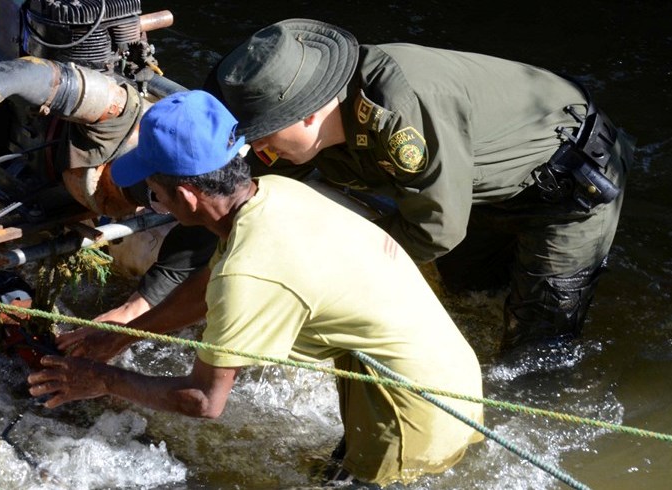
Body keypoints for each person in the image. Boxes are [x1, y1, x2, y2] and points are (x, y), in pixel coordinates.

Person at [28, 90, 485, 486]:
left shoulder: (248, 273)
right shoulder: (276, 194)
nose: (154, 203)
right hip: (448, 379)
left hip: (412, 418)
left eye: (154, 193)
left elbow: (206, 401)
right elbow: (209, 283)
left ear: (186, 197)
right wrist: (120, 336)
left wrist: (102, 380)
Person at [209, 18, 636, 350]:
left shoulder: (397, 114)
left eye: (261, 132)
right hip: (475, 188)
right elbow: (243, 202)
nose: (257, 146)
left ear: (308, 112)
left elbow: (436, 228)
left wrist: (336, 277)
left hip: (569, 188)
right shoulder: (303, 127)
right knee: (469, 297)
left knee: (535, 347)